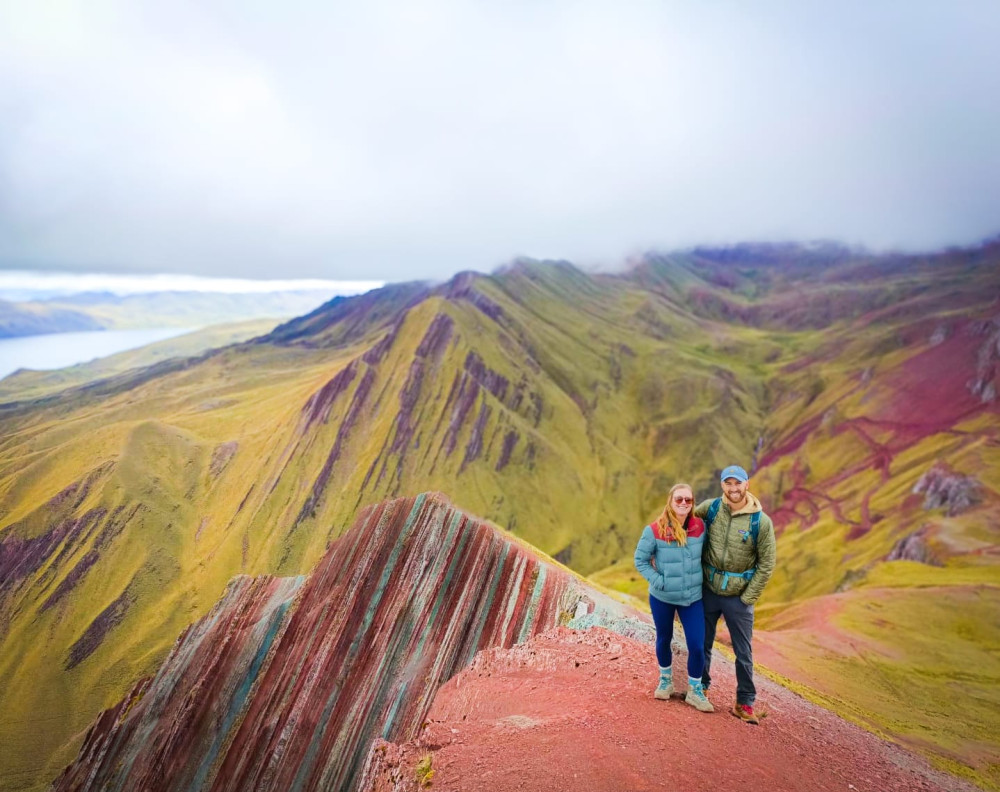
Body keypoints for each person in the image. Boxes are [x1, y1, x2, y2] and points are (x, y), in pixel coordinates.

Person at [695, 464, 776, 725]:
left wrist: (747, 598)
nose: (733, 489)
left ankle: (745, 703)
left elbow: (767, 564)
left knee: (743, 653)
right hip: (708, 590)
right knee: (701, 643)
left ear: (746, 485)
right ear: (722, 486)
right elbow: (686, 523)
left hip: (738, 597)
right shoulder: (711, 508)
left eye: (737, 484)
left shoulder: (760, 522)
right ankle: (701, 688)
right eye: (728, 483)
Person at [633, 482, 714, 712]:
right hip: (662, 597)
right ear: (670, 501)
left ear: (692, 503)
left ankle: (695, 691)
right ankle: (666, 681)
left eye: (688, 500)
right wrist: (661, 582)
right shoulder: (654, 530)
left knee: (697, 645)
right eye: (679, 499)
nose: (683, 504)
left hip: (692, 598)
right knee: (663, 638)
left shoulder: (700, 527)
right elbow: (640, 560)